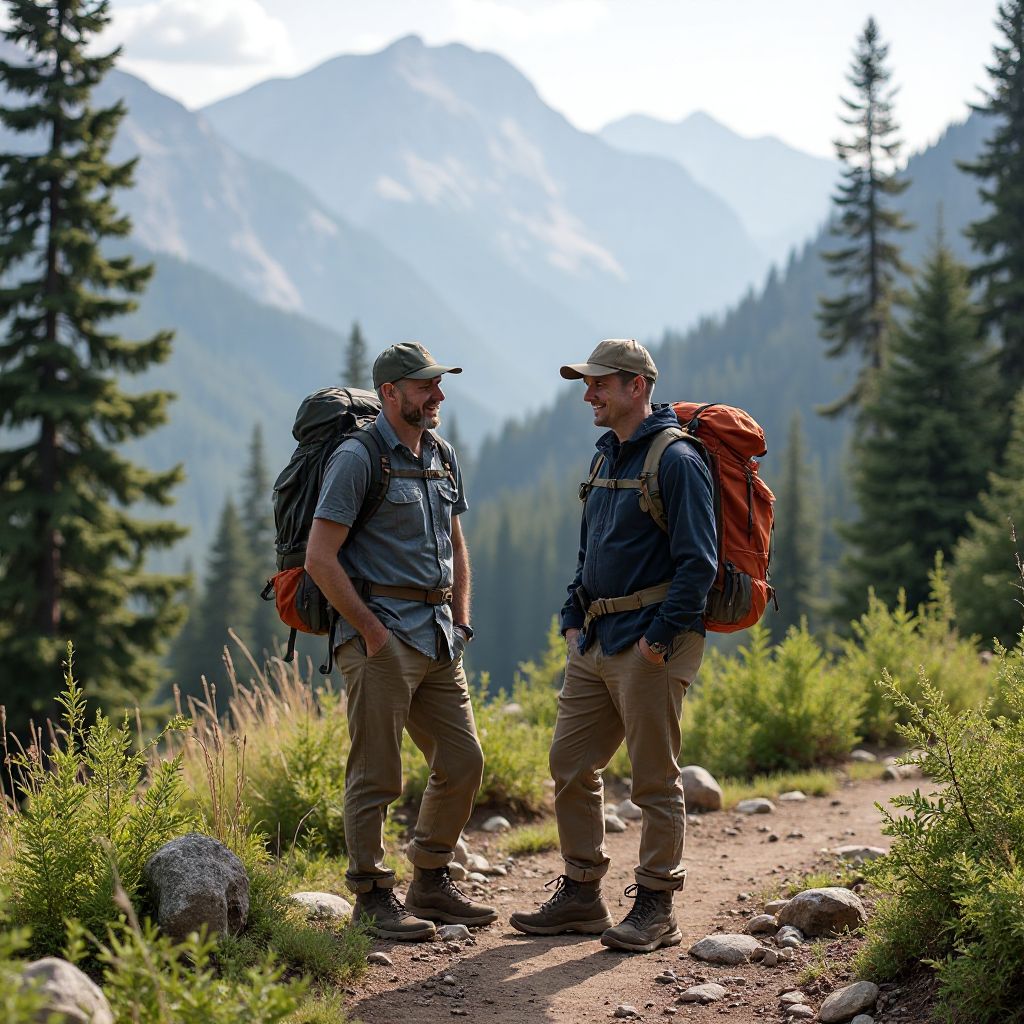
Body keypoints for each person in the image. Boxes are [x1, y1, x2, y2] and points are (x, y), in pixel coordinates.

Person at [510, 339, 718, 952]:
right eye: (587, 382)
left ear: (637, 386)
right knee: (571, 765)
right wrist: (572, 615)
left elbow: (698, 564)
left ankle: (657, 907)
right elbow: (590, 549)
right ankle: (581, 895)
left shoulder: (677, 459)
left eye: (599, 383)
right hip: (595, 641)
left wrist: (657, 642)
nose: (588, 394)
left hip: (651, 644)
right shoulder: (606, 456)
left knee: (654, 781)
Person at [305, 341, 496, 941]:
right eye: (423, 387)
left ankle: (431, 882)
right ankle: (371, 896)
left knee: (463, 762)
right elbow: (319, 558)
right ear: (390, 393)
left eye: (437, 384)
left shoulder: (441, 454)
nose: (436, 395)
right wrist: (369, 630)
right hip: (380, 640)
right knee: (376, 772)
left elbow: (456, 544)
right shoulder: (357, 459)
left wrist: (461, 618)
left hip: (439, 637)